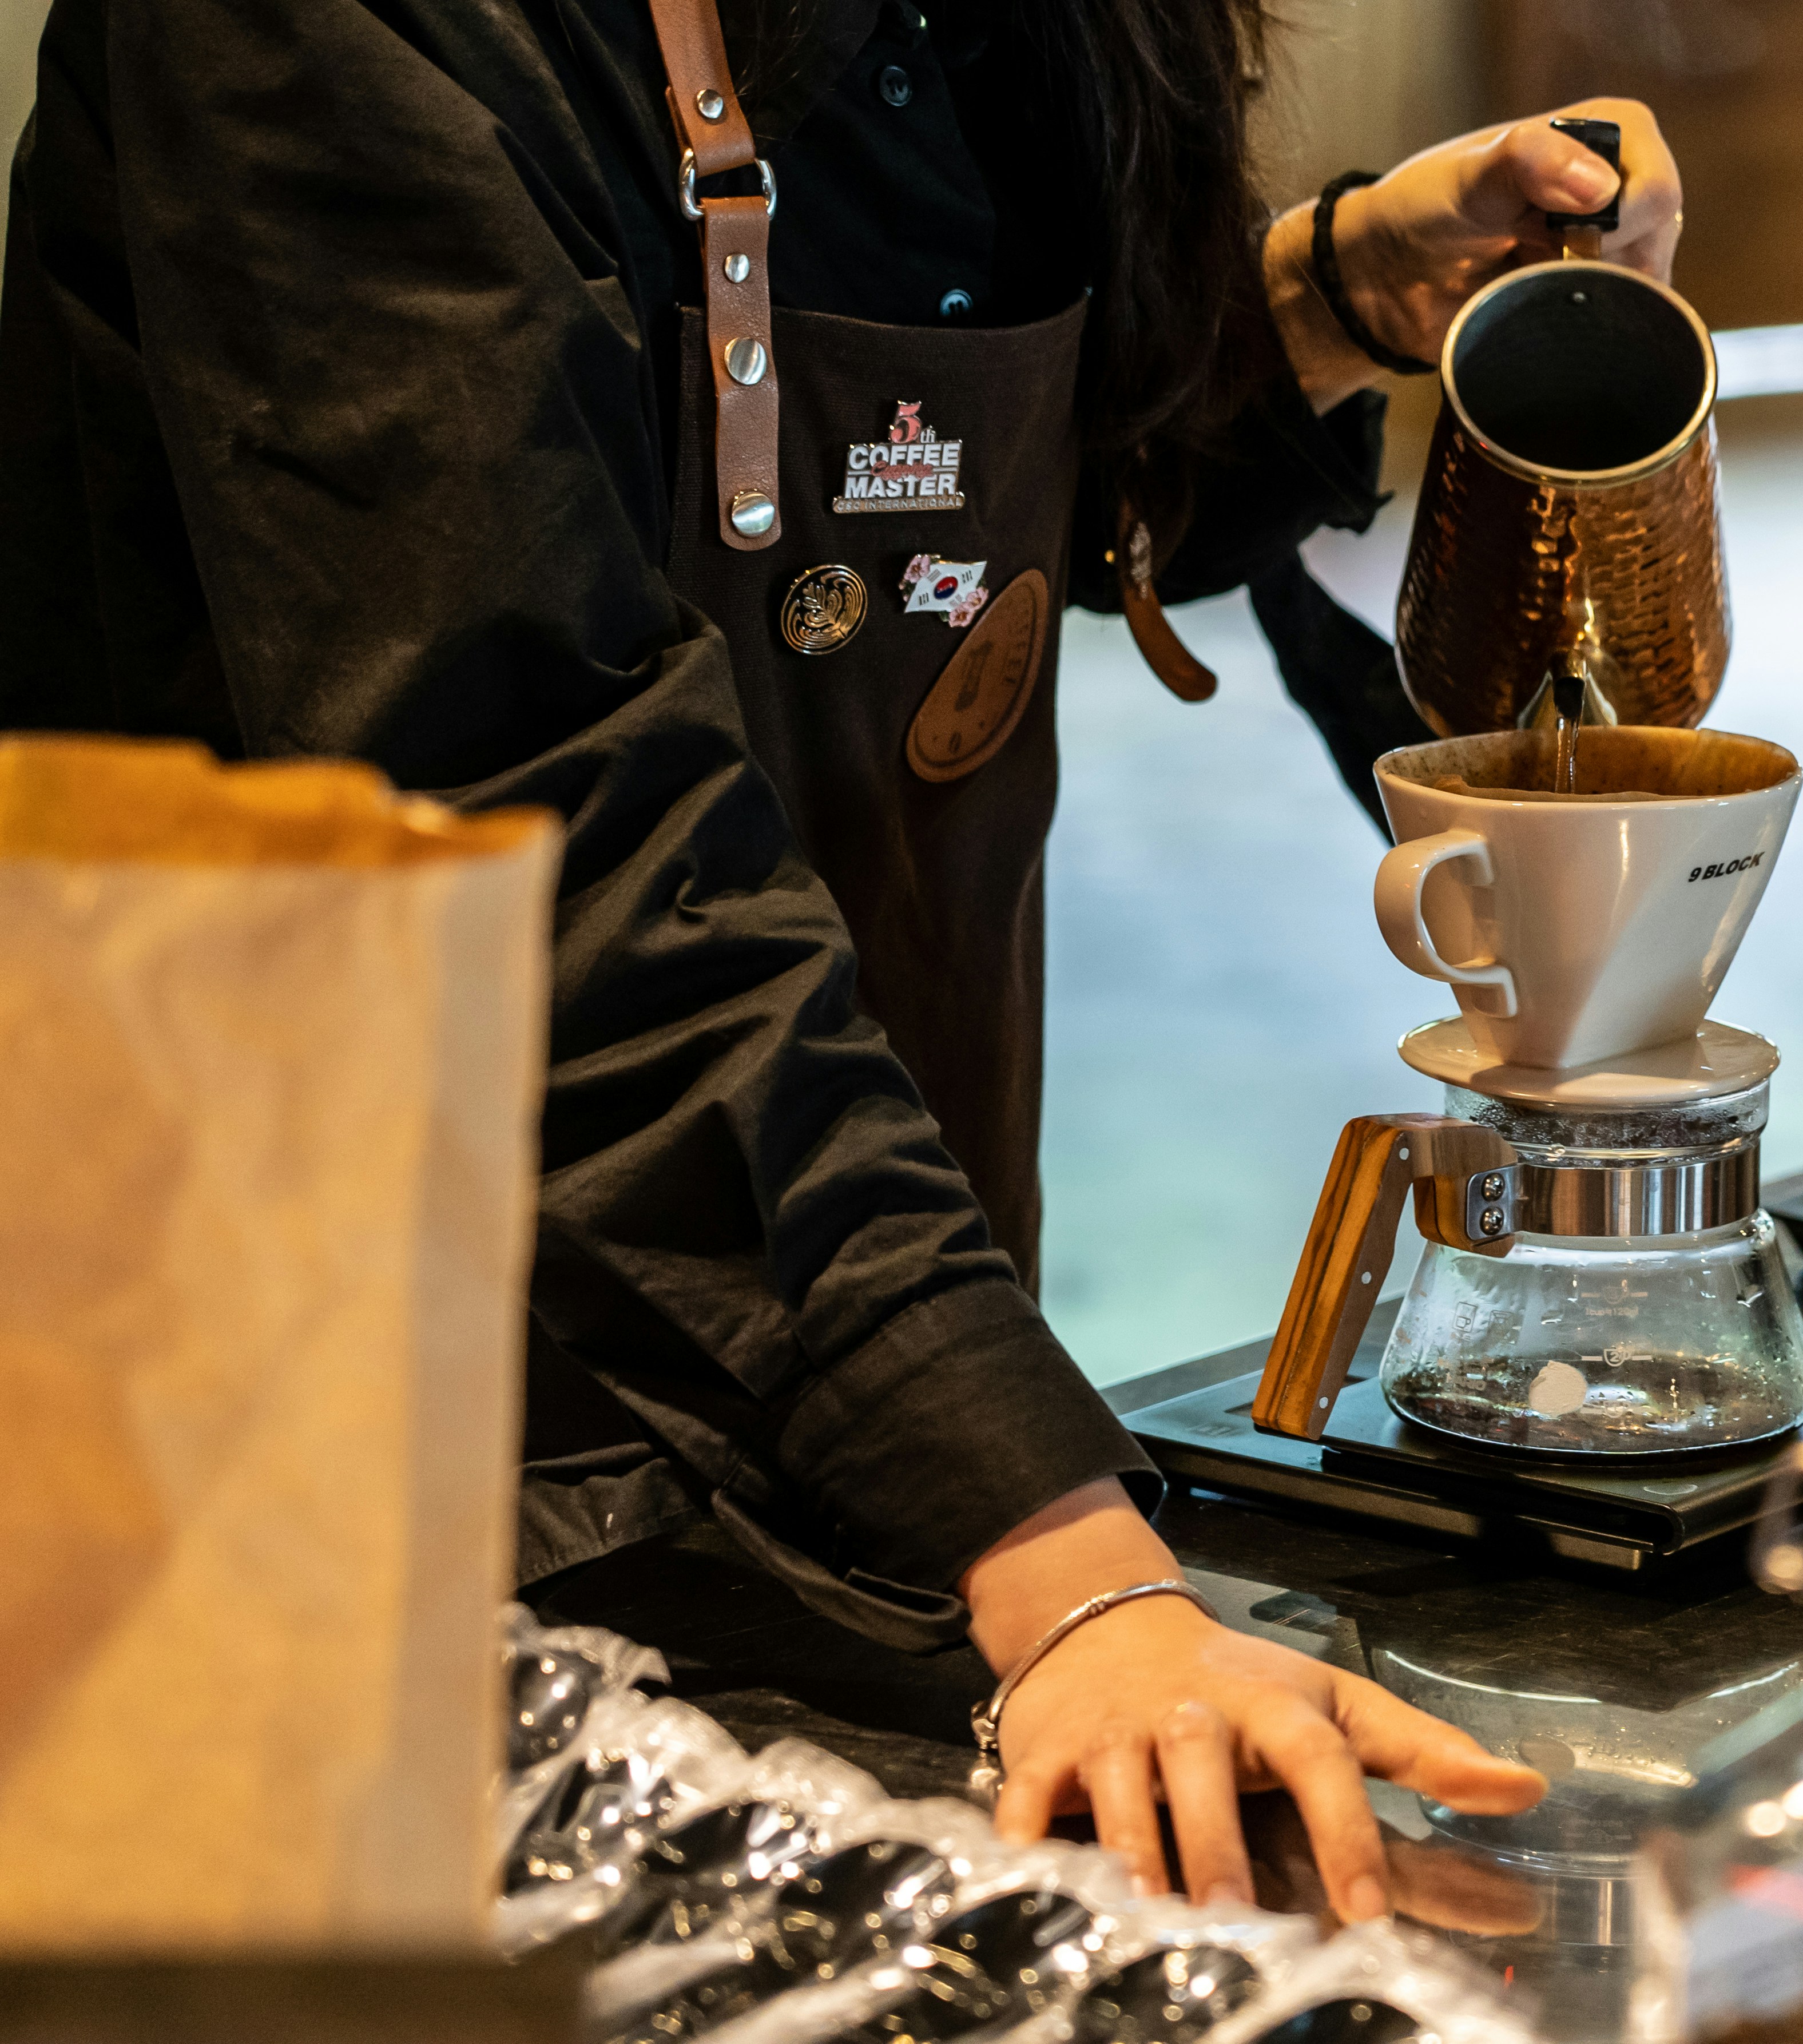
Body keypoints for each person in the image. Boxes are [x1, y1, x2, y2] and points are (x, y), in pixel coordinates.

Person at [0, 0, 1685, 1923]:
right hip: (366, 1420)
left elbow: (963, 503)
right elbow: (543, 826)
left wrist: (1335, 293)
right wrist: (1053, 1542)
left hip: (847, 1297)